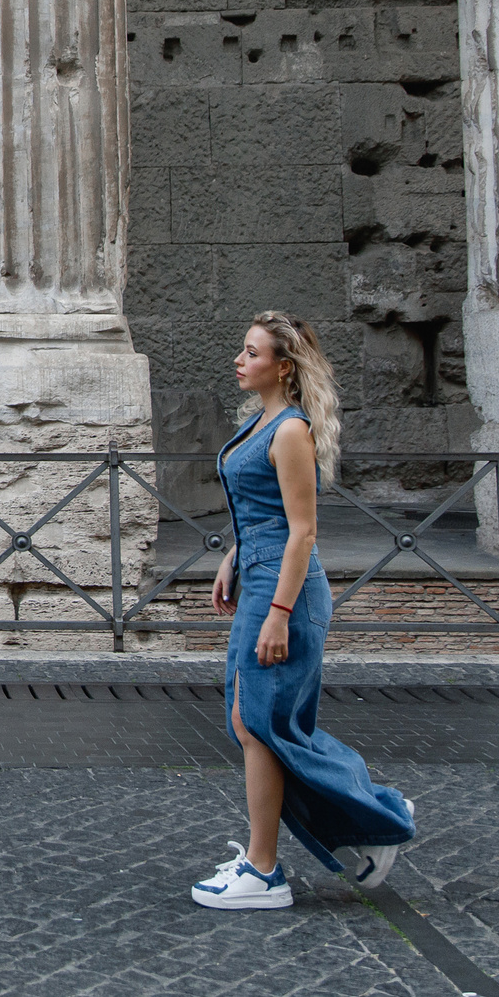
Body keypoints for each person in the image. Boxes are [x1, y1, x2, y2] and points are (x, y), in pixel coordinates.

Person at [190, 311, 416, 911]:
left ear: (283, 367)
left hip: (284, 590)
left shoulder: (289, 430)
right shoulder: (259, 421)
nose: (240, 360)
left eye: (252, 352)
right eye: (242, 350)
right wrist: (232, 556)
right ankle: (363, 818)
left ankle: (272, 867)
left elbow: (304, 531)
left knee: (262, 724)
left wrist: (279, 612)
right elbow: (262, 512)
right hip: (261, 576)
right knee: (254, 722)